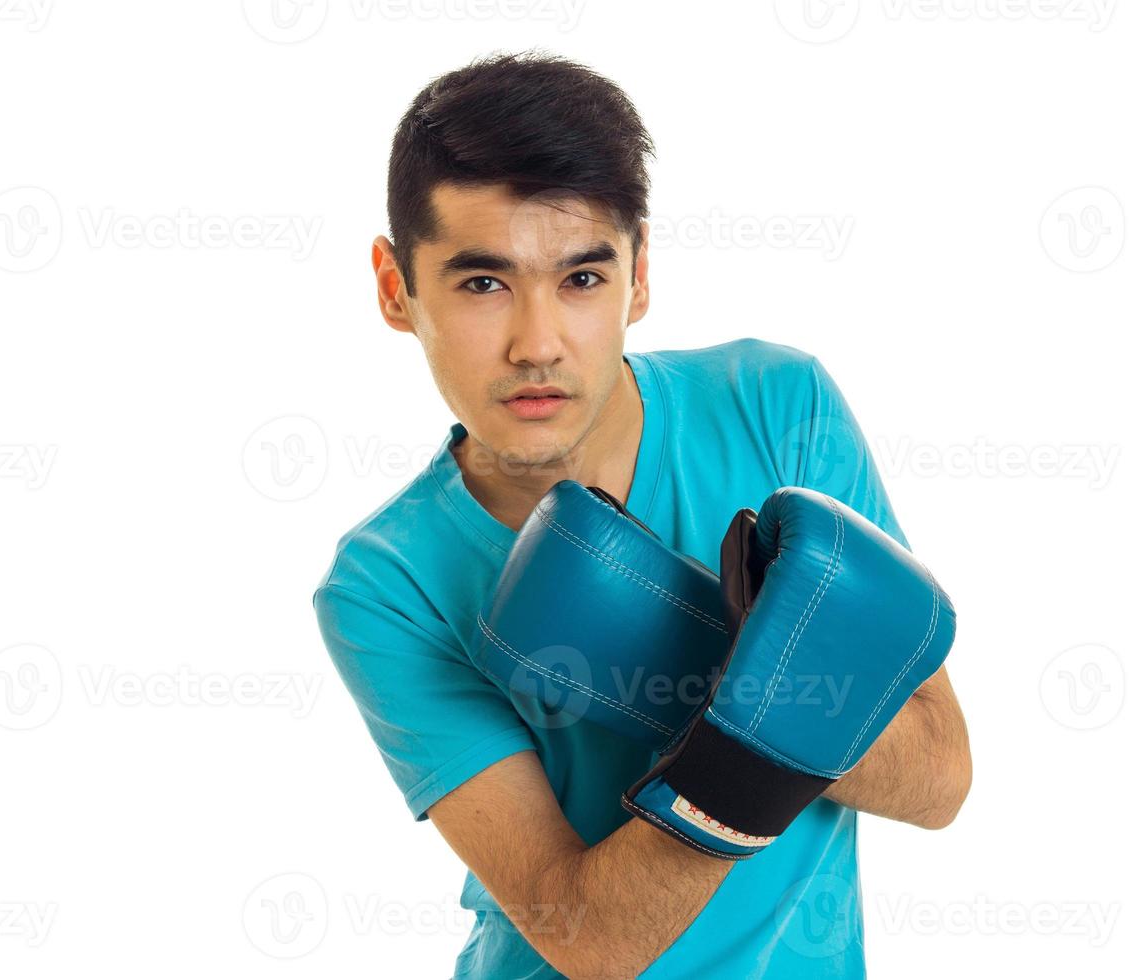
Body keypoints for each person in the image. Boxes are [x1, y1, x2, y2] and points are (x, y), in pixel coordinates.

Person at [313, 50, 972, 979]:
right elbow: (591, 938)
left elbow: (942, 776)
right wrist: (767, 695)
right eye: (482, 283)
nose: (537, 343)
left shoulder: (777, 407)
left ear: (640, 274)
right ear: (395, 287)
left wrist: (704, 668)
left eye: (581, 279)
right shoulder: (387, 584)